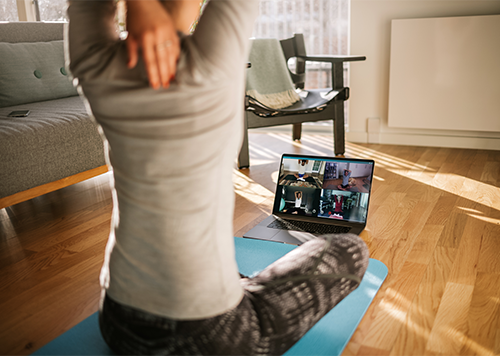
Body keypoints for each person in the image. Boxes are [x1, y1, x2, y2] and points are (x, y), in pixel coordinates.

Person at [66, 0, 369, 355]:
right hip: (210, 335)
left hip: (118, 319)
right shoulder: (209, 63)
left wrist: (140, 5)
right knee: (350, 249)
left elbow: (85, 5)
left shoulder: (96, 65)